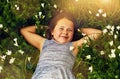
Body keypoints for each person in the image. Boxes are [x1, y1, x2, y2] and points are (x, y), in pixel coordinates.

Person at [20, 11, 102, 79]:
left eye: (69, 30)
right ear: (52, 31)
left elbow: (98, 33)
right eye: (61, 28)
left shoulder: (74, 46)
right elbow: (25, 31)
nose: (65, 32)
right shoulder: (43, 43)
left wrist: (79, 31)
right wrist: (46, 28)